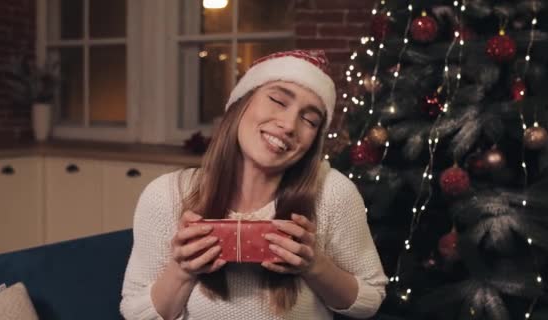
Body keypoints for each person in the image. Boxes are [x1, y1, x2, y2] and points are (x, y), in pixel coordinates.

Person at [120, 50, 388, 320]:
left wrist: (315, 265)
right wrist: (182, 271)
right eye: (277, 100)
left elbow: (370, 300)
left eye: (310, 120)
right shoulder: (166, 195)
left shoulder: (332, 193)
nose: (288, 125)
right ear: (241, 103)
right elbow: (135, 314)